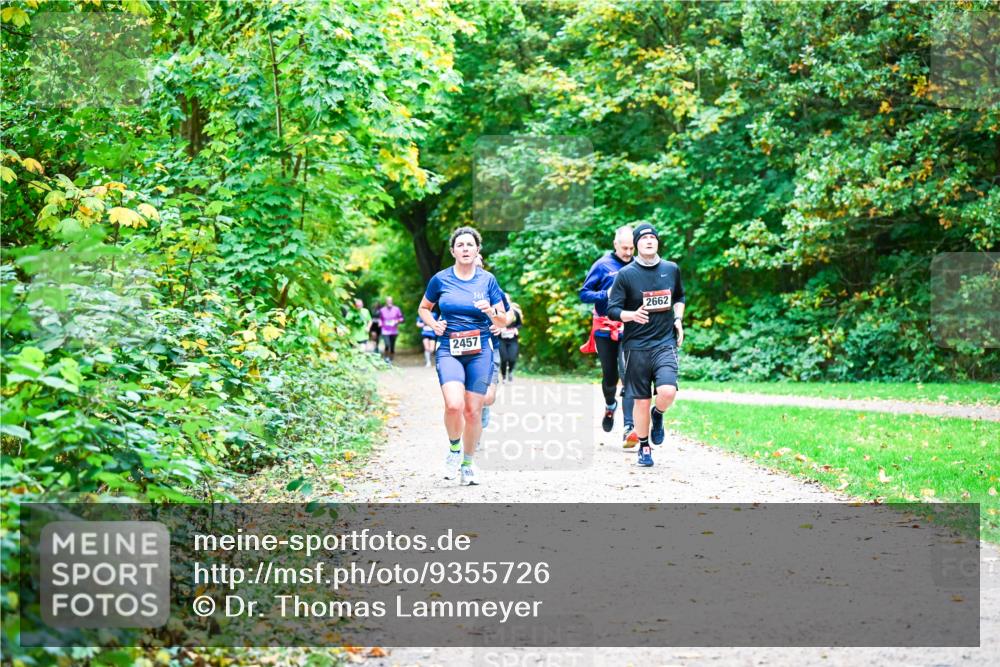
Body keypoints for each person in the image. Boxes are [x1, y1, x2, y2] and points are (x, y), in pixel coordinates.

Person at [418, 226, 508, 486]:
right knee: (454, 405)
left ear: (477, 250)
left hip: (480, 350)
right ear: (453, 251)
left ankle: (468, 465)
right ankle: (454, 449)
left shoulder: (487, 280)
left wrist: (491, 311)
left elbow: (503, 320)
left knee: (473, 411)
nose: (466, 249)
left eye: (470, 245)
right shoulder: (440, 279)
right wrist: (434, 324)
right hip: (449, 348)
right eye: (461, 245)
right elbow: (424, 308)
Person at [607, 222, 685, 468]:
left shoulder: (671, 269)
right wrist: (631, 315)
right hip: (636, 345)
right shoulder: (626, 275)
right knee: (641, 400)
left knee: (667, 391)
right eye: (644, 238)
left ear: (657, 242)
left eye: (653, 237)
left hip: (665, 342)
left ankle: (658, 414)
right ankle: (644, 446)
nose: (649, 241)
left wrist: (678, 319)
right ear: (637, 244)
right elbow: (612, 310)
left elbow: (680, 296)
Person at [579, 226, 638, 448]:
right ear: (615, 244)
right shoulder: (602, 265)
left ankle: (629, 428)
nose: (628, 252)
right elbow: (584, 294)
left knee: (629, 374)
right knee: (610, 377)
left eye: (632, 248)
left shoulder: (637, 265)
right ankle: (610, 404)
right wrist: (606, 294)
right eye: (624, 248)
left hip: (630, 326)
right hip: (604, 327)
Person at [499, 295, 523, 382]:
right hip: (501, 339)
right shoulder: (497, 312)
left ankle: (511, 372)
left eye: (506, 300)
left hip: (513, 339)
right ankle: (504, 376)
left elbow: (520, 324)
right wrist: (500, 328)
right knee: (504, 358)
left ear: (509, 301)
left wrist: (516, 329)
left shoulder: (515, 312)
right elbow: (492, 324)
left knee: (512, 358)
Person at [378, 297, 404, 363]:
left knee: (392, 347)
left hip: (393, 331)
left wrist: (396, 321)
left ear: (392, 301)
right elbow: (380, 319)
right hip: (385, 330)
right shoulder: (382, 310)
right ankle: (386, 358)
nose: (389, 302)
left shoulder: (396, 309)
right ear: (386, 302)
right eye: (388, 301)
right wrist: (380, 323)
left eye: (390, 301)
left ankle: (391, 359)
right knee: (387, 345)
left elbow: (401, 318)